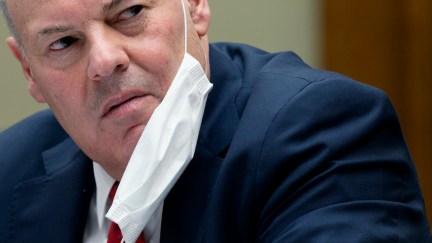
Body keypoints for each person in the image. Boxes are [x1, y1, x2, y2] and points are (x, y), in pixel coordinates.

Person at [0, 0, 431, 242]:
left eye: (129, 13)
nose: (105, 60)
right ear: (28, 72)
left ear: (195, 6)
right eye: (63, 43)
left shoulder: (322, 130)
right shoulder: (8, 170)